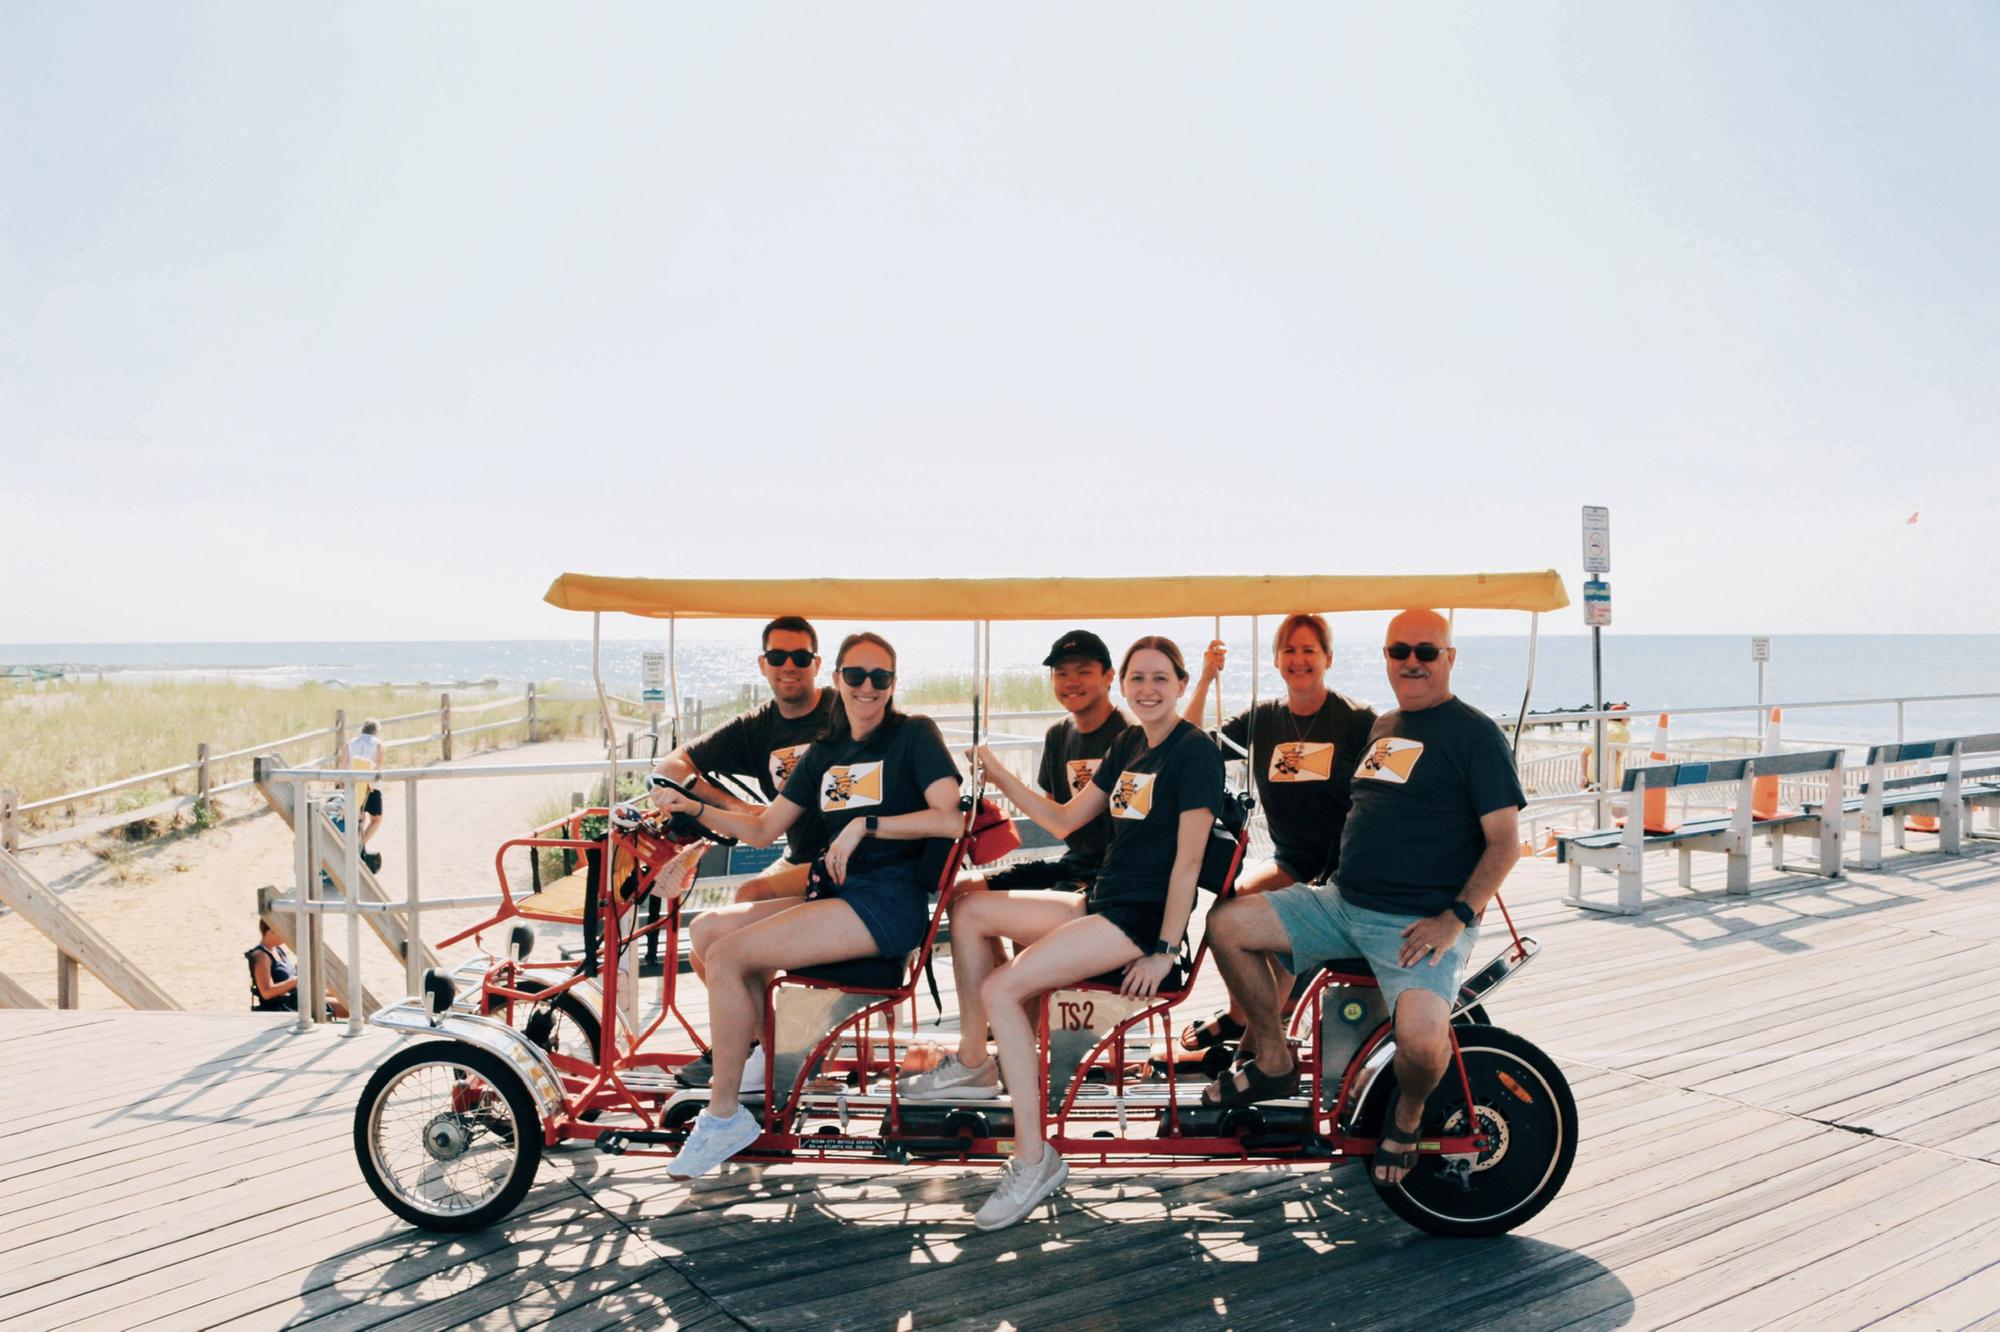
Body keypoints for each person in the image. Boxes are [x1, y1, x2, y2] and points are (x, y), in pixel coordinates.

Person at [1200, 609, 1524, 1187]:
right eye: (1400, 651)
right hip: (1342, 902)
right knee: (1227, 924)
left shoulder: (1475, 735)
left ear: (1450, 658)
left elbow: (1505, 845)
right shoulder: (1386, 726)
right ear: (1386, 657)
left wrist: (1454, 918)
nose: (1412, 662)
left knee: (1424, 1045)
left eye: (1427, 651)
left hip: (1417, 922)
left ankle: (1406, 1114)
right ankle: (1273, 1059)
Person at [914, 637, 1221, 1232]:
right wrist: (997, 770)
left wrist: (1163, 950)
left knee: (1003, 989)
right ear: (1123, 684)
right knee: (971, 910)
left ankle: (1033, 1158)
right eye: (1138, 678)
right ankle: (978, 1062)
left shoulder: (1194, 752)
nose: (1147, 689)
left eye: (1161, 678)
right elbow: (1063, 819)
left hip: (1137, 921)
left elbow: (1187, 864)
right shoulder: (1131, 742)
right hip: (1100, 899)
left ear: (1182, 684)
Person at [648, 632, 963, 1179]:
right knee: (708, 931)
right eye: (856, 675)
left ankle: (723, 1115)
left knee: (728, 957)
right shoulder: (825, 750)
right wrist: (693, 806)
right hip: (839, 893)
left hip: (886, 903)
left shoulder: (913, 735)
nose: (867, 688)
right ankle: (773, 1065)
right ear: (837, 677)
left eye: (880, 678)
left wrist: (865, 826)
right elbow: (764, 828)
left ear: (892, 684)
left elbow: (950, 818)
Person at [1172, 614, 1376, 1058]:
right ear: (1276, 659)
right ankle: (1245, 1013)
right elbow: (1189, 746)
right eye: (1289, 650)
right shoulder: (1263, 719)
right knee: (1229, 904)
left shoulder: (1356, 719)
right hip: (1292, 858)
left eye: (1308, 650)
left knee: (1277, 918)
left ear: (1328, 658)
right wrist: (1206, 677)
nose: (1298, 659)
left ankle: (1261, 1031)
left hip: (1344, 865)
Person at [945, 629, 1128, 937]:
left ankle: (1017, 983)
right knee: (961, 889)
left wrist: (1001, 776)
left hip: (1112, 877)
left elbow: (1062, 824)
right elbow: (1051, 809)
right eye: (1061, 673)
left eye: (1084, 672)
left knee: (1014, 916)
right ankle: (1004, 979)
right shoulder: (1058, 734)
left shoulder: (1127, 737)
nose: (1071, 682)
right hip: (1073, 864)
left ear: (1109, 676)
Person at [654, 615, 835, 906]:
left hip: (849, 860)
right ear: (763, 664)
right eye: (777, 657)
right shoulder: (755, 728)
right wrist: (735, 806)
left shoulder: (844, 713)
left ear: (817, 664)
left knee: (746, 902)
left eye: (801, 657)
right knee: (727, 919)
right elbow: (670, 768)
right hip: (798, 860)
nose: (789, 666)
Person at [245, 919, 349, 1018]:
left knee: (343, 993)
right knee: (346, 1007)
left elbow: (284, 975)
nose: (286, 935)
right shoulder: (261, 955)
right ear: (270, 932)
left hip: (297, 994)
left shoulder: (277, 949)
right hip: (285, 1004)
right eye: (282, 931)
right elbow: (266, 993)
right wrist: (296, 980)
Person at [337, 720, 385, 874]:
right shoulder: (379, 744)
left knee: (359, 819)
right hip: (371, 786)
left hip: (352, 785)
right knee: (376, 819)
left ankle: (357, 845)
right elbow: (377, 765)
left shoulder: (350, 743)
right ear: (376, 731)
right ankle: (358, 847)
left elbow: (342, 764)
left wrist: (338, 784)